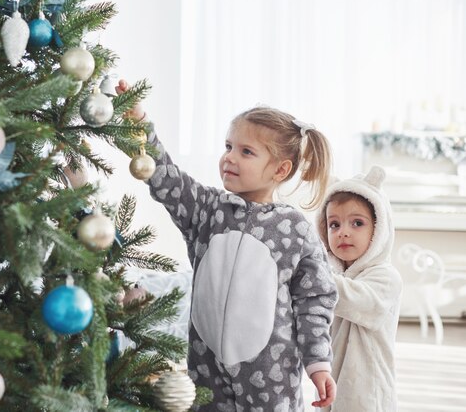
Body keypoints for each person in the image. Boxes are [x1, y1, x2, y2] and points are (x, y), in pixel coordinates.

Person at [116, 80, 338, 411]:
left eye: (246, 151)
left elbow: (314, 301)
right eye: (228, 146)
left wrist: (318, 363)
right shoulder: (207, 209)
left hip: (270, 376)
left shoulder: (294, 229)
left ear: (281, 169)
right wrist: (141, 124)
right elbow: (166, 178)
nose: (229, 158)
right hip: (206, 368)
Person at [315, 166, 402, 412]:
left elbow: (358, 301)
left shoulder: (386, 277)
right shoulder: (330, 275)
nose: (343, 232)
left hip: (368, 392)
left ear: (379, 229)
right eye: (334, 225)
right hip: (332, 382)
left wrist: (311, 273)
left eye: (357, 223)